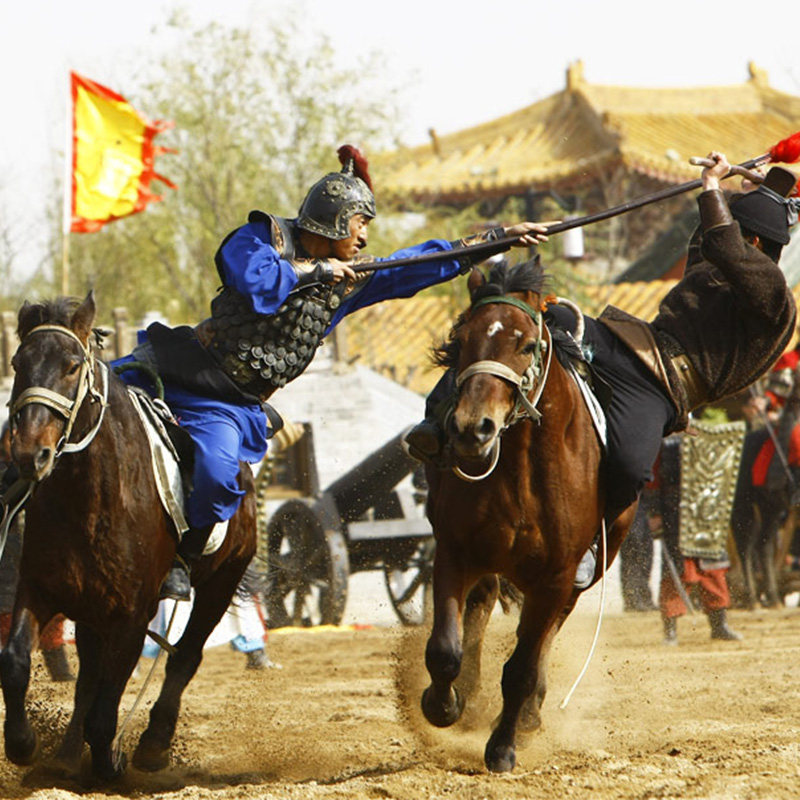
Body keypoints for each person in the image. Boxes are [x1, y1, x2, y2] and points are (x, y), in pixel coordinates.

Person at [114, 145, 549, 600]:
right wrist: (319, 269)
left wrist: (499, 239)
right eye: (361, 223)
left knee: (219, 475)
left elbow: (416, 264)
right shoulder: (258, 238)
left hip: (226, 403)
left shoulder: (346, 285)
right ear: (336, 216)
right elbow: (260, 286)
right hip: (174, 370)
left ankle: (180, 560)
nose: (364, 237)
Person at [405, 152, 798, 589]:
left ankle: (589, 547)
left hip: (662, 390)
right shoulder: (727, 267)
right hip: (630, 342)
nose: (723, 240)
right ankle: (438, 422)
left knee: (630, 468)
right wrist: (735, 193)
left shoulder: (773, 296)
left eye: (741, 234)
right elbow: (710, 240)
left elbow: (724, 243)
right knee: (518, 323)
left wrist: (711, 188)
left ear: (757, 246)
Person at [650, 434, 743, 644]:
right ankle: (671, 631)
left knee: (713, 570)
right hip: (676, 514)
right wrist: (655, 512)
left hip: (706, 514)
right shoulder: (662, 445)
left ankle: (719, 626)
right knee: (679, 573)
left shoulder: (708, 440)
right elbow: (653, 480)